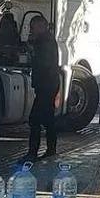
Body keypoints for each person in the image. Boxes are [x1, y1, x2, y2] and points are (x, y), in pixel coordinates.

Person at [26, 15, 61, 162]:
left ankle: (33, 153)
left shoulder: (43, 42)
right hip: (49, 84)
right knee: (48, 118)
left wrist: (32, 50)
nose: (31, 30)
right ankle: (51, 150)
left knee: (35, 119)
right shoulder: (48, 40)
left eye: (33, 27)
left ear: (41, 26)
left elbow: (43, 63)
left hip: (46, 84)